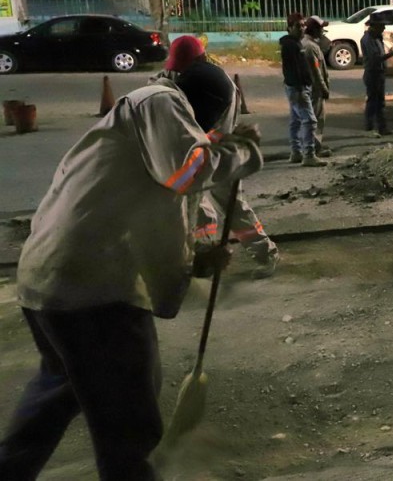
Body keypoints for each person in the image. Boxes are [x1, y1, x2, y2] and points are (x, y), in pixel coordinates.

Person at [0, 63, 263, 480]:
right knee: (130, 427)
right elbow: (187, 174)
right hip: (92, 294)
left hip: (52, 282)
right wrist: (239, 151)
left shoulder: (145, 126)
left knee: (58, 393)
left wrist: (194, 260)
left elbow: (142, 217)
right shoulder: (160, 103)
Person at [160, 36, 281, 279]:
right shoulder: (202, 77)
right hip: (208, 150)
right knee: (204, 205)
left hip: (218, 152)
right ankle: (204, 254)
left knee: (228, 203)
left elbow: (204, 127)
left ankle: (264, 253)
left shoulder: (208, 84)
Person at [280, 13, 325, 166]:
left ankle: (296, 152)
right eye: (298, 26)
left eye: (303, 25)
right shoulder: (291, 46)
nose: (301, 29)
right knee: (310, 120)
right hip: (298, 88)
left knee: (296, 121)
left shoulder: (295, 43)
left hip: (296, 87)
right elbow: (293, 70)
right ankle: (309, 155)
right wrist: (301, 86)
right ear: (289, 28)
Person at [360, 13, 393, 135]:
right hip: (373, 73)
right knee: (373, 101)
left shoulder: (377, 37)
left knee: (379, 101)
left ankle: (380, 127)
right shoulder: (368, 39)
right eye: (382, 26)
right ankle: (371, 127)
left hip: (379, 72)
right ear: (374, 26)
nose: (384, 28)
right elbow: (375, 58)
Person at [302, 15, 332, 157]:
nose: (322, 31)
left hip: (314, 89)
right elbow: (316, 73)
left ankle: (315, 147)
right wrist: (324, 89)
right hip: (315, 90)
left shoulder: (312, 45)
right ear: (313, 29)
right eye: (320, 28)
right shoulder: (310, 47)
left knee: (315, 119)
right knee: (316, 119)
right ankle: (313, 149)